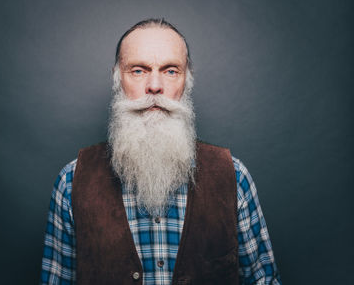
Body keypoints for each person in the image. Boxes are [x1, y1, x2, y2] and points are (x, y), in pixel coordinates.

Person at [40, 18, 282, 285]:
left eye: (170, 71)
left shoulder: (234, 177)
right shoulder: (71, 181)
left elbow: (264, 280)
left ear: (186, 81)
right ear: (117, 79)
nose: (154, 86)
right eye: (138, 70)